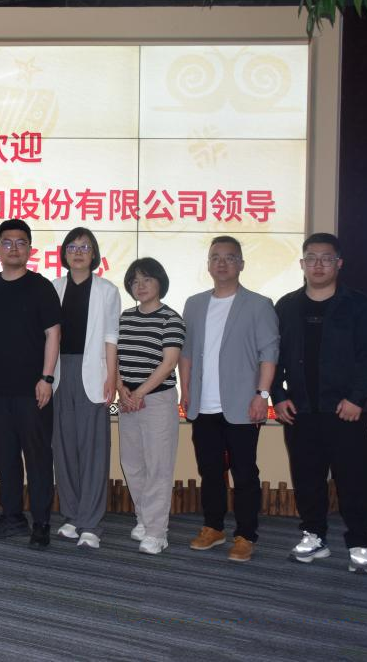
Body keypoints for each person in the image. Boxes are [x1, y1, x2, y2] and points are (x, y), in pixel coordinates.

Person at [273, 233, 367, 574]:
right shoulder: (286, 306)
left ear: (339, 263)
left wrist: (357, 398)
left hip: (345, 410)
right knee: (307, 477)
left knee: (353, 480)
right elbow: (272, 357)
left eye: (326, 258)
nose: (318, 265)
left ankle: (360, 543)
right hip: (301, 410)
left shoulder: (358, 305)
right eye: (311, 258)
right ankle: (314, 536)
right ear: (302, 263)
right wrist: (278, 396)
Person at [179, 236, 279, 563]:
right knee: (210, 470)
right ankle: (213, 527)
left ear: (241, 264)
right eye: (215, 257)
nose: (221, 263)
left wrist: (262, 395)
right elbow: (186, 353)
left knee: (244, 472)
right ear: (208, 264)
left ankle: (246, 535)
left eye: (229, 257)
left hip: (243, 403)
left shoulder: (259, 304)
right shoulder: (194, 304)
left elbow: (269, 353)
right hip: (203, 404)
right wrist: (187, 390)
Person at [0, 219, 61, 550]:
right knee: (4, 457)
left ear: (30, 249)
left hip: (33, 389)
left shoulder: (41, 287)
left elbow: (53, 334)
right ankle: (11, 517)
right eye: (7, 242)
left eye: (21, 242)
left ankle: (41, 523)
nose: (14, 248)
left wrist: (47, 377)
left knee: (37, 458)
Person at [51, 228, 120, 550]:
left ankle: (91, 523)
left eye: (85, 247)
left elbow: (111, 337)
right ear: (64, 253)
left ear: (94, 255)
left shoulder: (107, 290)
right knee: (63, 448)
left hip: (94, 374)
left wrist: (112, 377)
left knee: (93, 451)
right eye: (72, 247)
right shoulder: (53, 288)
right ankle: (72, 516)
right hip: (59, 373)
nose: (78, 252)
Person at [116, 258, 186, 555]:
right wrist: (121, 388)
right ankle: (144, 519)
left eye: (147, 279)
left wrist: (139, 393)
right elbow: (114, 357)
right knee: (132, 463)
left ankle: (158, 532)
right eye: (135, 281)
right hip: (128, 399)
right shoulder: (124, 318)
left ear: (160, 282)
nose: (140, 286)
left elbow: (168, 363)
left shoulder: (171, 318)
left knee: (158, 466)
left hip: (157, 400)